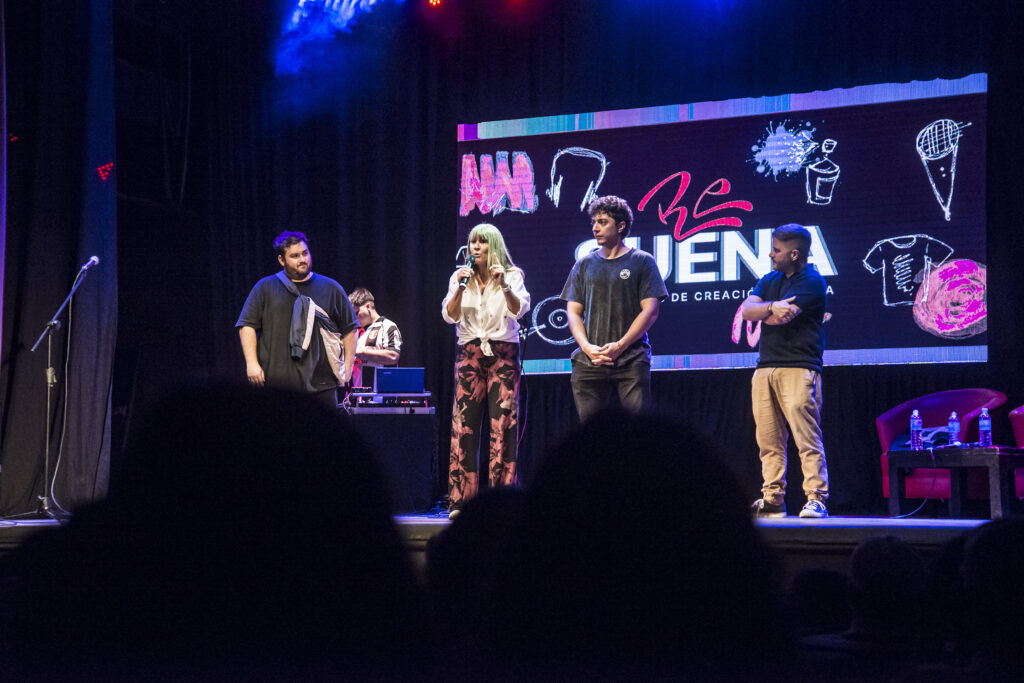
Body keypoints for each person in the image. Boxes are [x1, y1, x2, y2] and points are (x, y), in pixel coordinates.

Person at [442, 223, 531, 517]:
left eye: (481, 242)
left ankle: (501, 501)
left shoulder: (512, 275)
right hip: (469, 353)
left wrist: (503, 284)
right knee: (463, 426)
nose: (475, 247)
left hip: (503, 354)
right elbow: (449, 315)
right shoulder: (459, 276)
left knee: (502, 426)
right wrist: (460, 287)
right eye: (472, 242)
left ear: (494, 246)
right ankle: (460, 502)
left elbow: (519, 310)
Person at [741, 223, 829, 518]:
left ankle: (816, 498)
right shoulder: (770, 279)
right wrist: (771, 307)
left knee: (807, 439)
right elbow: (747, 311)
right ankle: (773, 499)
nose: (770, 254)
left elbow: (781, 318)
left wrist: (765, 310)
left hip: (799, 368)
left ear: (794, 254)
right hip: (765, 369)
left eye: (776, 250)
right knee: (768, 441)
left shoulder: (812, 282)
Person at [560, 195, 668, 422]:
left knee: (638, 430)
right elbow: (573, 312)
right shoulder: (584, 264)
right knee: (591, 434)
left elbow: (650, 311)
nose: (595, 228)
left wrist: (620, 346)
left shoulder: (642, 261)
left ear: (620, 226)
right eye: (594, 222)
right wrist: (587, 347)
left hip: (631, 359)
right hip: (590, 360)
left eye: (602, 222)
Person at [237, 231, 357, 406]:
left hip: (322, 385)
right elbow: (247, 326)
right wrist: (252, 363)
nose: (302, 259)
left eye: (305, 253)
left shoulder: (331, 288)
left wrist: (347, 368)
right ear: (281, 260)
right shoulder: (265, 287)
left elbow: (350, 329)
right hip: (278, 386)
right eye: (294, 256)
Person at [348, 287, 403, 389]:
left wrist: (363, 352)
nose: (355, 318)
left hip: (381, 395)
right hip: (360, 395)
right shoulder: (362, 333)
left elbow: (393, 356)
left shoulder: (388, 326)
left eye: (356, 313)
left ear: (368, 306)